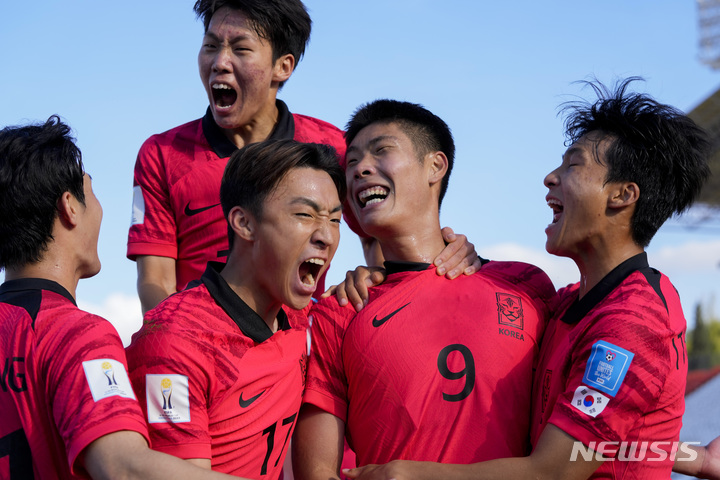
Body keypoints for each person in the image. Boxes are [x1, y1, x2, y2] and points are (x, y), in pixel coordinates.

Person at [340, 79, 717, 480]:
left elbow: (553, 471)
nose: (550, 178)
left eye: (573, 165)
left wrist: (407, 474)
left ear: (622, 195)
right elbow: (615, 429)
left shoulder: (632, 324)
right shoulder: (563, 302)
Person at [127, 0, 478, 314]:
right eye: (211, 46)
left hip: (296, 353)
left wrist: (444, 257)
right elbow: (155, 278)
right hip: (199, 343)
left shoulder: (336, 149)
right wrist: (177, 340)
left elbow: (377, 235)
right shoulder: (160, 154)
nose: (220, 62)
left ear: (283, 66)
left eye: (241, 49)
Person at [292, 100, 557, 480]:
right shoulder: (342, 310)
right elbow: (317, 474)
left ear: (435, 166)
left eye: (382, 151)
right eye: (352, 163)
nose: (361, 168)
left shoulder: (528, 285)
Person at [0, 116, 243, 480]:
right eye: (91, 192)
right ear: (69, 207)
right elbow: (123, 467)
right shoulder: (75, 334)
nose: (99, 208)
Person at [126, 139, 345, 478]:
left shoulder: (307, 319)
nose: (326, 236)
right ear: (244, 223)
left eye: (334, 220)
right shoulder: (173, 342)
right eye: (305, 214)